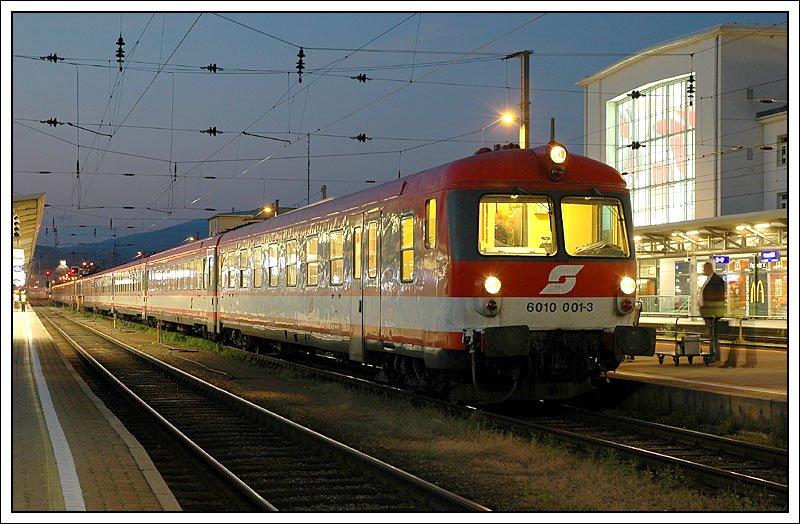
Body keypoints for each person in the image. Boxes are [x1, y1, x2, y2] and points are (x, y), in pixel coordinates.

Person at [699, 261, 726, 363]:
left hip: (713, 313)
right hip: (709, 312)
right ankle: (714, 354)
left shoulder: (716, 280)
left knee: (713, 335)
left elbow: (715, 297)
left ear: (708, 268)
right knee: (712, 335)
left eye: (704, 269)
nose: (703, 271)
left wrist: (705, 308)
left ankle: (714, 355)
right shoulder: (711, 279)